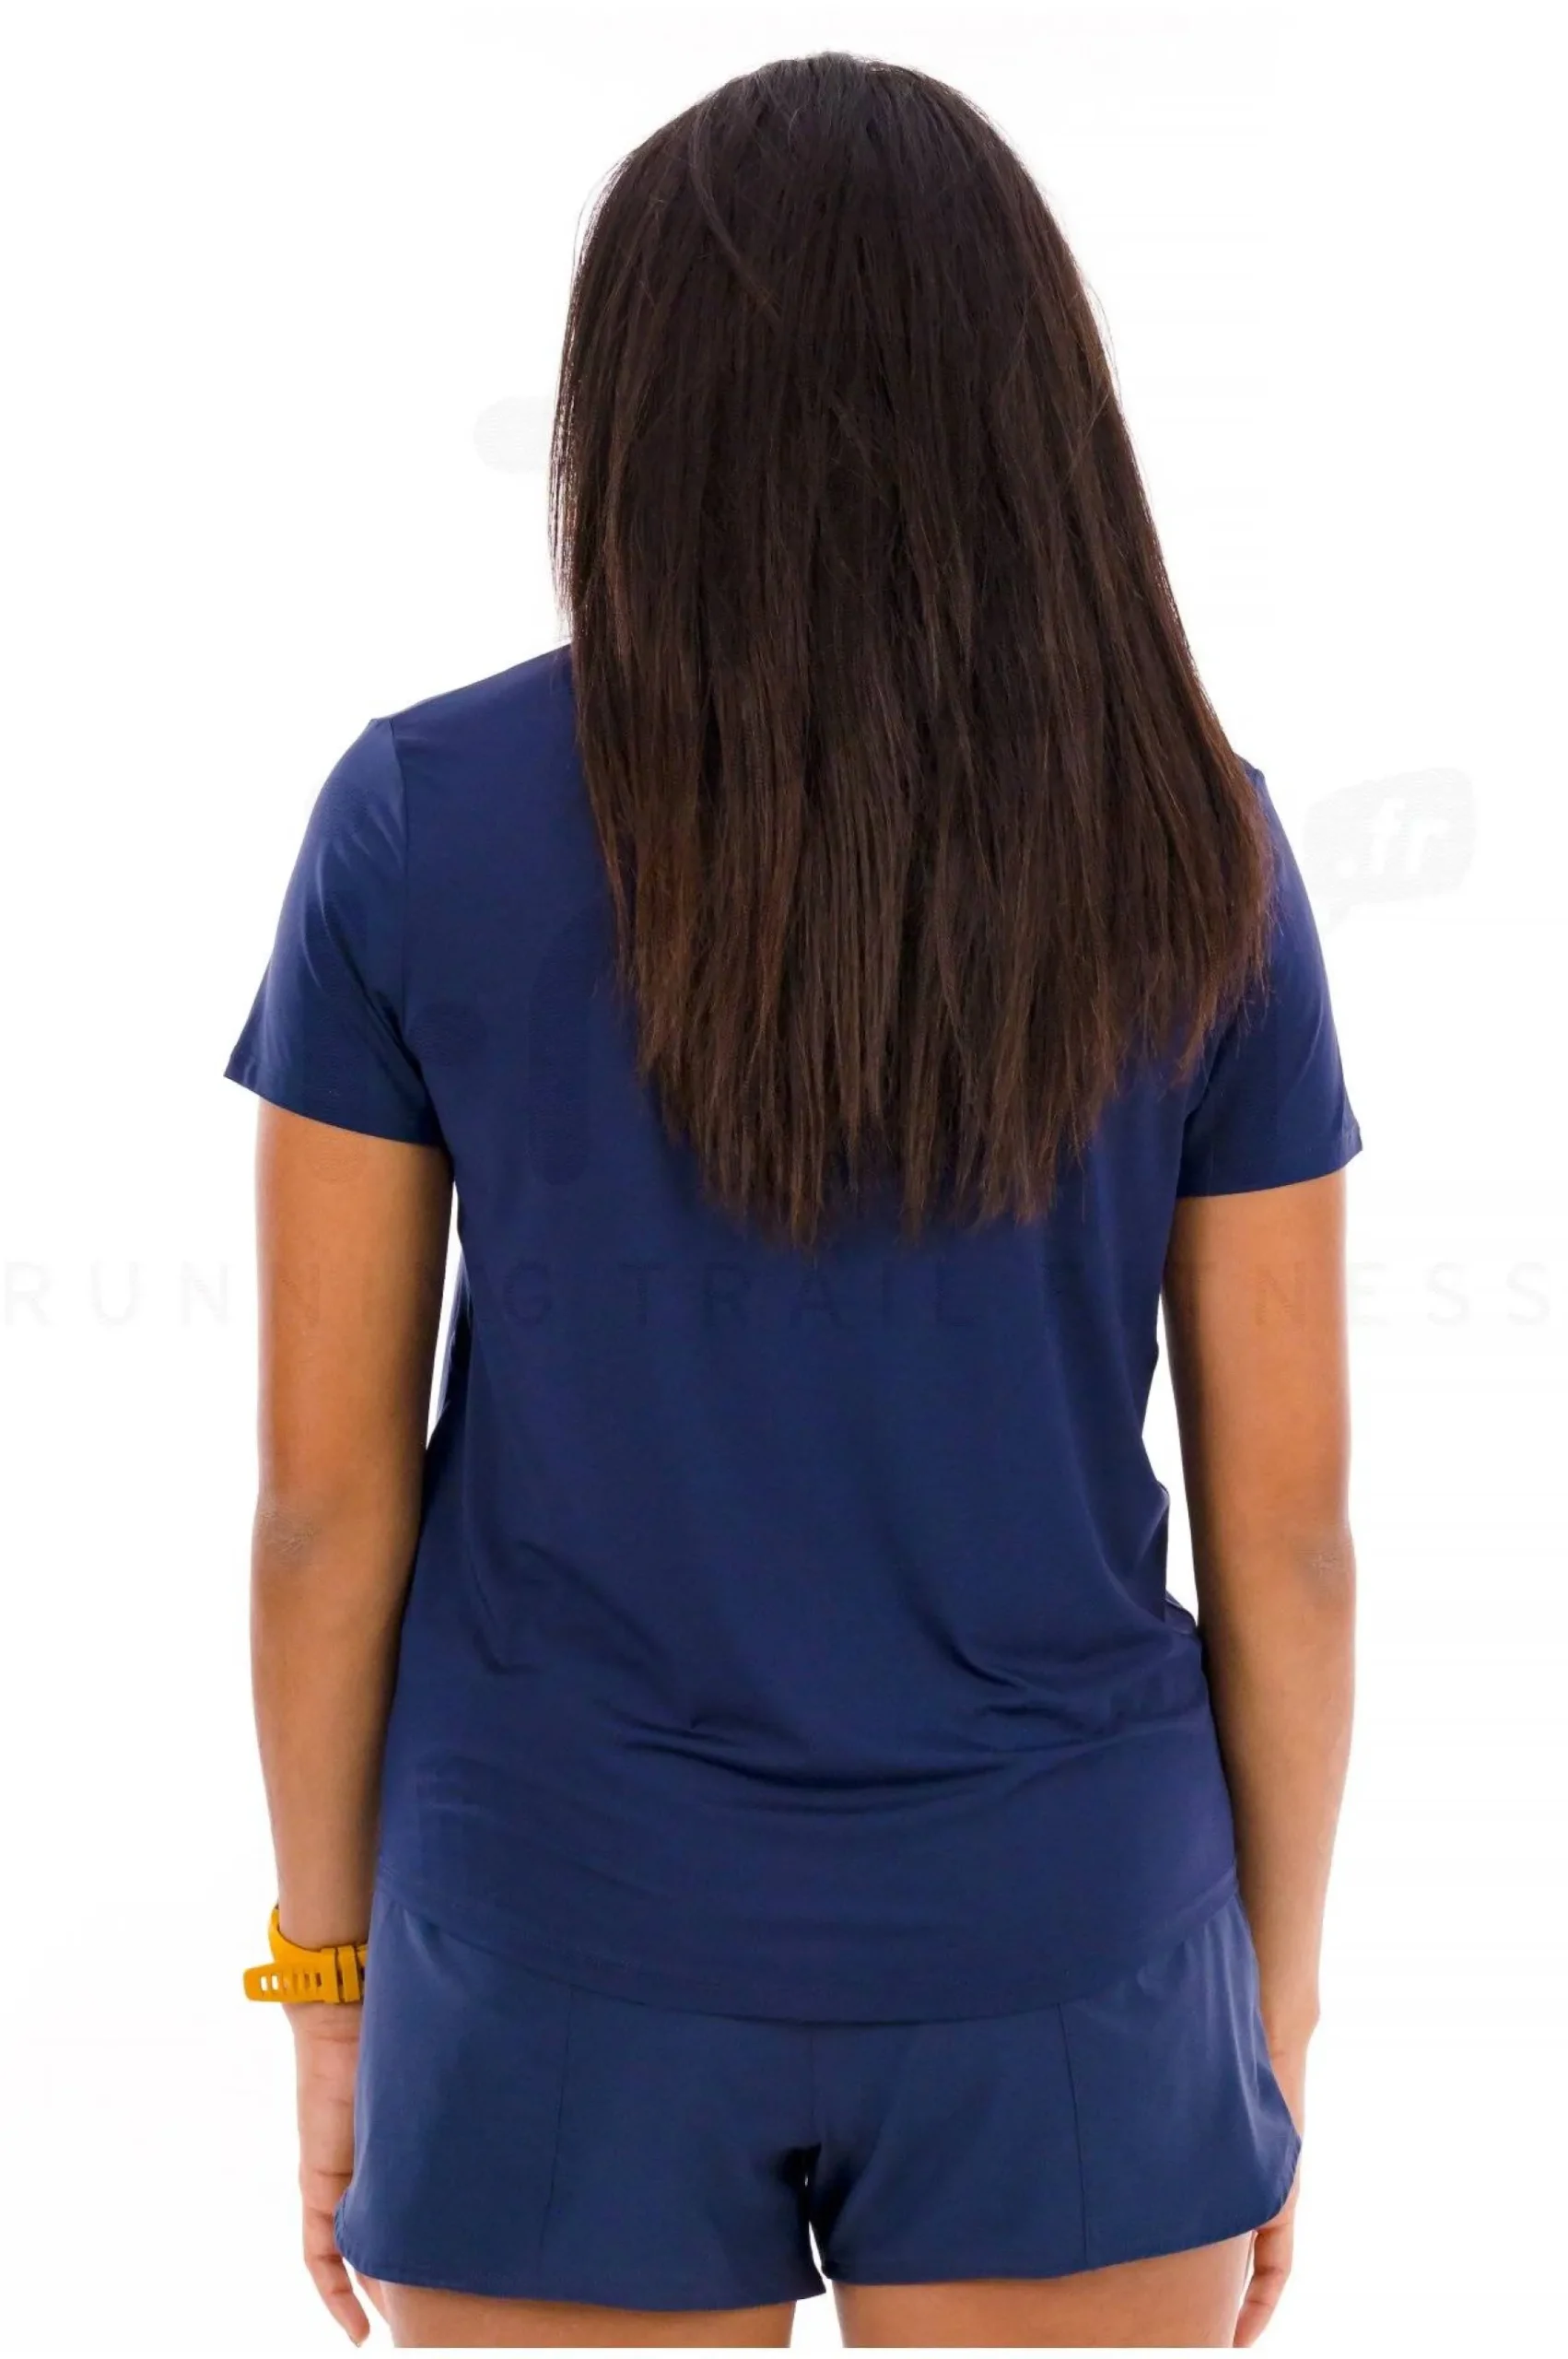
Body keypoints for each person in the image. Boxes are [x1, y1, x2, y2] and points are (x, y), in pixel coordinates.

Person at [226, 51, 1362, 2352]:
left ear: (630, 406)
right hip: (1062, 1936)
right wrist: (1265, 2001)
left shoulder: (420, 821)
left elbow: (325, 1513)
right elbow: (1290, 1536)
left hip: (556, 1941)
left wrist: (327, 1987)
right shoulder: (1193, 839)